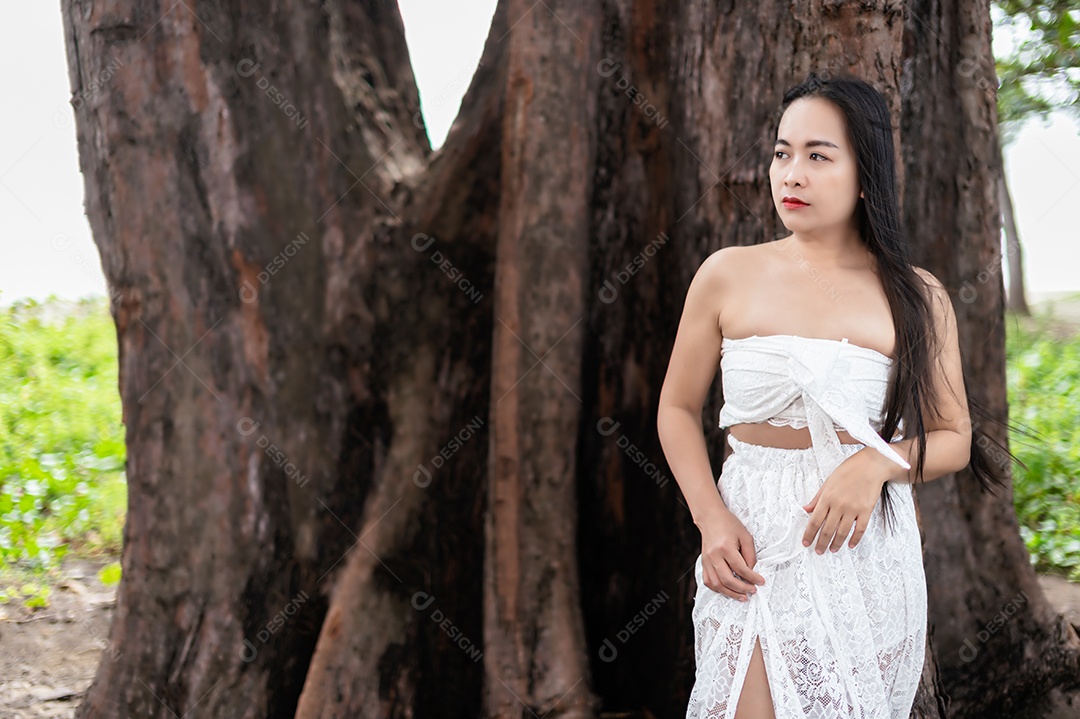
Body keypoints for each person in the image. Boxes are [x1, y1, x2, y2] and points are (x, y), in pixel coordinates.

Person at [657, 71, 1011, 719]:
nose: (791, 174)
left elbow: (956, 435)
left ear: (865, 171)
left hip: (860, 537)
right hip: (750, 534)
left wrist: (877, 463)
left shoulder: (917, 295)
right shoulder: (727, 274)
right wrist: (710, 517)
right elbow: (677, 409)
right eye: (782, 153)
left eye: (818, 156)